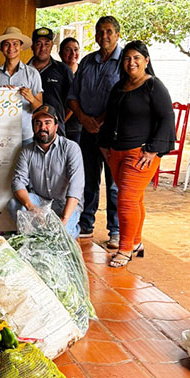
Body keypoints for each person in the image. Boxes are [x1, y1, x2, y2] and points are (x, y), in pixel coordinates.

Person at [99, 41, 175, 268]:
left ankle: (124, 250)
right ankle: (136, 243)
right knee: (134, 199)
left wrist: (153, 149)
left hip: (140, 154)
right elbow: (110, 118)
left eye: (136, 58)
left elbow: (167, 118)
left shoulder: (154, 86)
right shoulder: (119, 87)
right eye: (127, 58)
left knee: (126, 200)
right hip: (116, 152)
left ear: (146, 61)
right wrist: (104, 145)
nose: (131, 62)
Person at [67, 16, 122, 249]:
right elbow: (72, 96)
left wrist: (100, 121)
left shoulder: (125, 61)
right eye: (100, 32)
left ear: (117, 34)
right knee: (88, 179)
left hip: (114, 134)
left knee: (114, 183)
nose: (104, 36)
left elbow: (124, 97)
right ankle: (86, 223)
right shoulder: (88, 61)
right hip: (87, 131)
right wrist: (84, 119)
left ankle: (116, 230)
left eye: (109, 31)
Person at [6, 104, 84, 238]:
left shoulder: (71, 148)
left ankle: (72, 230)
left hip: (64, 204)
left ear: (56, 126)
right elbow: (18, 182)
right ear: (33, 127)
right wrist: (31, 207)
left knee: (59, 236)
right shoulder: (27, 151)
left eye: (48, 123)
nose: (43, 127)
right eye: (38, 123)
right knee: (13, 205)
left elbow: (76, 186)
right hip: (40, 202)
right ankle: (40, 231)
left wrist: (64, 219)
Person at [0, 26, 43, 146]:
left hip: (25, 136)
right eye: (6, 44)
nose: (11, 48)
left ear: (21, 47)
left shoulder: (32, 74)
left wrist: (31, 98)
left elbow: (39, 109)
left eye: (15, 44)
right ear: (2, 48)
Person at [28, 27, 74, 137]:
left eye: (47, 44)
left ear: (52, 45)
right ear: (32, 46)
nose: (43, 48)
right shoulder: (23, 71)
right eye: (38, 44)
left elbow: (72, 102)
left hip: (56, 133)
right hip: (28, 133)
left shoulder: (63, 70)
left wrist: (58, 122)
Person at [59, 36, 82, 144]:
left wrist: (61, 122)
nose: (73, 53)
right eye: (68, 50)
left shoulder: (84, 72)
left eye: (76, 50)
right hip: (56, 127)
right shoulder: (56, 72)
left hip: (75, 127)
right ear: (60, 53)